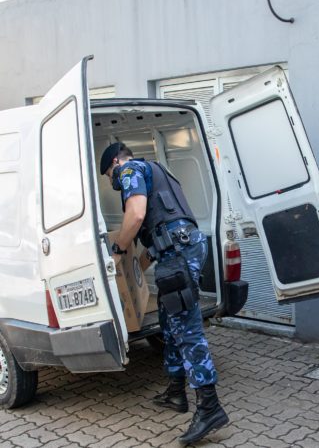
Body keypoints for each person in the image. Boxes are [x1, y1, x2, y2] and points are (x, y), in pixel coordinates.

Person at [100, 142, 228, 444]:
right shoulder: (157, 170)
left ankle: (210, 408)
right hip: (180, 248)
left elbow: (136, 214)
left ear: (116, 162)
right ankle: (175, 393)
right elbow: (160, 232)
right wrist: (135, 270)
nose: (112, 181)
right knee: (170, 323)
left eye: (109, 174)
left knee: (187, 328)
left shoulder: (130, 169)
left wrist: (118, 250)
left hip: (179, 253)